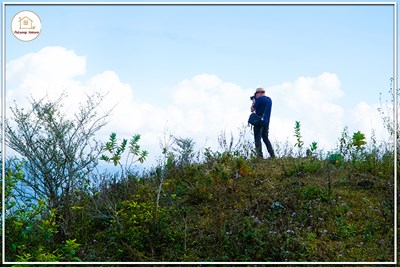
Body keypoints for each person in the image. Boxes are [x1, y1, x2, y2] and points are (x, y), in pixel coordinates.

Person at [251, 87, 275, 159]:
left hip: (258, 122)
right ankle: (272, 155)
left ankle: (259, 156)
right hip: (266, 122)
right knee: (265, 138)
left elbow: (252, 109)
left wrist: (254, 102)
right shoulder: (269, 100)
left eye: (256, 94)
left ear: (259, 93)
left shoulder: (259, 99)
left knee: (257, 139)